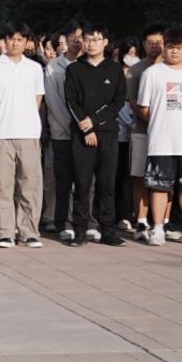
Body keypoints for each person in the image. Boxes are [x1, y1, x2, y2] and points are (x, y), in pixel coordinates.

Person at [136, 28, 182, 247]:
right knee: (160, 186)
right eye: (170, 47)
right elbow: (144, 107)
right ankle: (158, 228)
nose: (174, 51)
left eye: (179, 48)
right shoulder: (152, 73)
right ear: (164, 48)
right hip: (161, 141)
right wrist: (162, 121)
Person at [63, 23, 129, 246]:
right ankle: (80, 230)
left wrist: (94, 121)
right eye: (87, 39)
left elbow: (118, 101)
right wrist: (87, 127)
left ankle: (107, 230)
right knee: (82, 184)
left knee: (106, 185)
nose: (91, 44)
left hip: (108, 134)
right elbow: (71, 101)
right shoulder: (74, 69)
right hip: (82, 134)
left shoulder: (114, 69)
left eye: (96, 39)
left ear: (105, 42)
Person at [0, 24, 46, 248]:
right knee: (1, 185)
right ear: (5, 41)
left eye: (20, 39)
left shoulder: (35, 68)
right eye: (11, 39)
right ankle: (4, 231)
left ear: (26, 42)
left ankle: (28, 231)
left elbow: (38, 99)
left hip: (29, 134)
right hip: (2, 133)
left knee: (30, 184)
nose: (15, 43)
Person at [42, 24, 82, 237]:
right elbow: (53, 102)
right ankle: (54, 216)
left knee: (84, 178)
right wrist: (72, 124)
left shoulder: (89, 65)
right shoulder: (53, 67)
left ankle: (81, 218)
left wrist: (84, 125)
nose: (72, 42)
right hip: (61, 130)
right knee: (57, 176)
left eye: (79, 37)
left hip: (85, 132)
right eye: (67, 39)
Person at [128, 25, 167, 239]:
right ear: (143, 44)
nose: (155, 46)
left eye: (159, 42)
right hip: (143, 131)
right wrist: (154, 120)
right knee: (140, 177)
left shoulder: (173, 68)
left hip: (169, 133)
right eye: (150, 42)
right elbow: (133, 102)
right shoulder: (136, 70)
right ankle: (141, 222)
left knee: (166, 178)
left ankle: (164, 222)